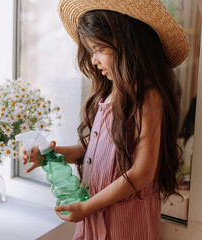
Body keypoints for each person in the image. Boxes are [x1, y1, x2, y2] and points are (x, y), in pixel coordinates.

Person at [22, 0, 189, 239]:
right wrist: (47, 156)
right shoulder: (108, 94)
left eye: (99, 49)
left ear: (129, 46)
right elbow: (96, 152)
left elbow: (142, 172)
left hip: (126, 222)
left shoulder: (149, 97)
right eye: (91, 51)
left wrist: (88, 206)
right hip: (94, 214)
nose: (93, 60)